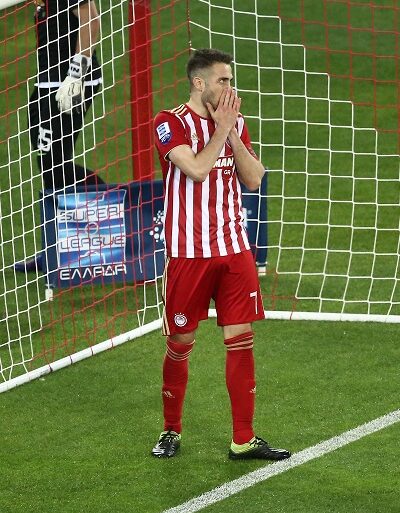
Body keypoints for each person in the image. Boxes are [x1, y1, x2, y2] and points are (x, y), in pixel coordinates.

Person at [151, 48, 291, 460]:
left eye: (230, 80)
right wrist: (221, 130)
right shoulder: (169, 122)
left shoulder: (235, 123)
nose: (230, 87)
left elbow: (254, 179)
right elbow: (195, 169)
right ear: (199, 83)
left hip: (234, 250)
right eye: (223, 80)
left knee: (241, 340)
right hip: (188, 253)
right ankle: (171, 429)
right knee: (181, 342)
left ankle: (243, 439)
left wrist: (231, 133)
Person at [15, 0, 105, 272]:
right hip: (46, 83)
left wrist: (76, 75)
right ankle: (55, 247)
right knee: (49, 164)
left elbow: (91, 19)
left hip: (70, 83)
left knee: (54, 164)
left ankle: (117, 217)